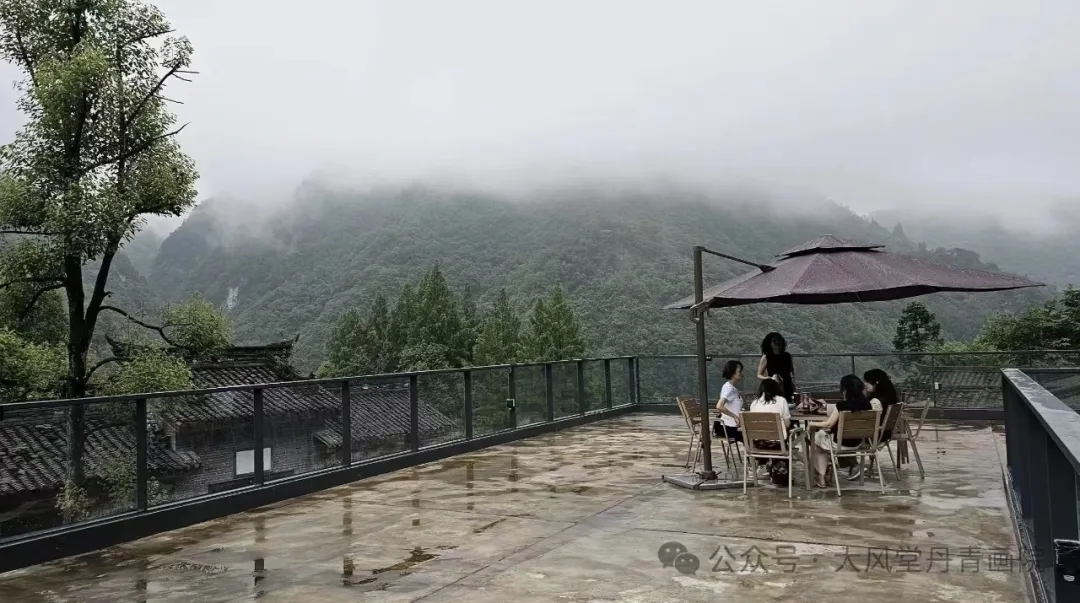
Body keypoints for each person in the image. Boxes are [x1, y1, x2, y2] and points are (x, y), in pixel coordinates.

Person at [807, 374, 875, 488]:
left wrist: (811, 424)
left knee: (816, 440)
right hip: (857, 444)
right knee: (822, 443)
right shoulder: (868, 405)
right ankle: (845, 466)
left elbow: (828, 424)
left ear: (845, 390)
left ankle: (821, 478)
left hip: (839, 444)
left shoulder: (842, 405)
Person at [854, 368, 900, 481]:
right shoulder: (890, 398)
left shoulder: (876, 402)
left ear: (876, 383)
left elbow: (864, 419)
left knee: (834, 437)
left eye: (867, 381)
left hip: (872, 436)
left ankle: (852, 466)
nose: (865, 385)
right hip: (884, 433)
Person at [748, 377, 793, 485]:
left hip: (758, 444)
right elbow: (787, 424)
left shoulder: (754, 403)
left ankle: (764, 466)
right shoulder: (781, 401)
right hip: (777, 444)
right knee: (785, 436)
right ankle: (779, 474)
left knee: (770, 438)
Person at [757, 332, 795, 402]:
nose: (777, 342)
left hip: (787, 386)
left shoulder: (787, 356)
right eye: (774, 341)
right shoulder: (766, 357)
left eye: (779, 340)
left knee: (788, 404)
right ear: (769, 343)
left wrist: (793, 382)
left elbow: (791, 371)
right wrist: (769, 378)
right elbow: (759, 375)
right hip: (774, 387)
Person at [714, 360, 745, 442]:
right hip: (728, 428)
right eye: (739, 371)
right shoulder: (729, 388)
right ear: (732, 373)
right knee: (752, 436)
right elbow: (719, 406)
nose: (742, 373)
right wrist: (735, 417)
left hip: (733, 426)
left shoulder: (731, 387)